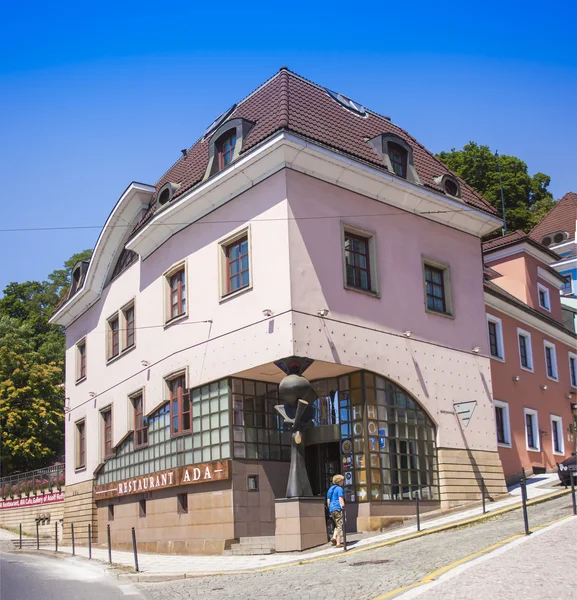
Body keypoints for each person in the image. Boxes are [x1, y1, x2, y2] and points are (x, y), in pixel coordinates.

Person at [326, 474, 345, 547]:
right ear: (339, 481)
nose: (343, 482)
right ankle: (338, 543)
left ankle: (334, 537)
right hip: (338, 508)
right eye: (342, 480)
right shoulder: (339, 489)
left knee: (337, 524)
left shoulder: (330, 489)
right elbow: (340, 499)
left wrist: (330, 510)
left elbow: (328, 501)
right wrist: (343, 507)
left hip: (332, 509)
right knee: (340, 525)